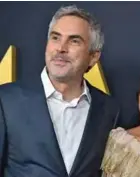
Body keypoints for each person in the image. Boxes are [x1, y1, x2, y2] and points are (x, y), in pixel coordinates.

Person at [0, 5, 121, 177]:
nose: (61, 48)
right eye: (55, 38)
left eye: (74, 41)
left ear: (93, 56)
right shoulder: (6, 101)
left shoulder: (109, 110)